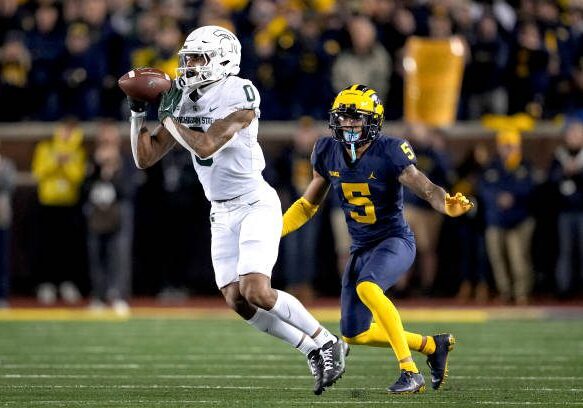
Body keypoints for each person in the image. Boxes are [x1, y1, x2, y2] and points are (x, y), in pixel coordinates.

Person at [126, 25, 347, 395]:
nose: (189, 66)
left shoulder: (240, 91)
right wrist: (137, 113)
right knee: (237, 301)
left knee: (257, 290)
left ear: (223, 59)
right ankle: (311, 349)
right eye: (187, 58)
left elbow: (207, 145)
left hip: (254, 202)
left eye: (197, 58)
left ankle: (326, 341)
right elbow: (145, 158)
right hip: (220, 211)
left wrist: (167, 117)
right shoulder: (181, 98)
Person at [281, 84, 473, 394]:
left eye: (356, 119)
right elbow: (306, 206)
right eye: (343, 118)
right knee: (354, 333)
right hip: (361, 248)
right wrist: (273, 231)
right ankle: (432, 346)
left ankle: (409, 371)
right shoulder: (326, 150)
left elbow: (425, 187)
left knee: (367, 288)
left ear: (374, 120)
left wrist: (444, 204)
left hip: (394, 240)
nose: (348, 125)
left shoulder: (390, 150)